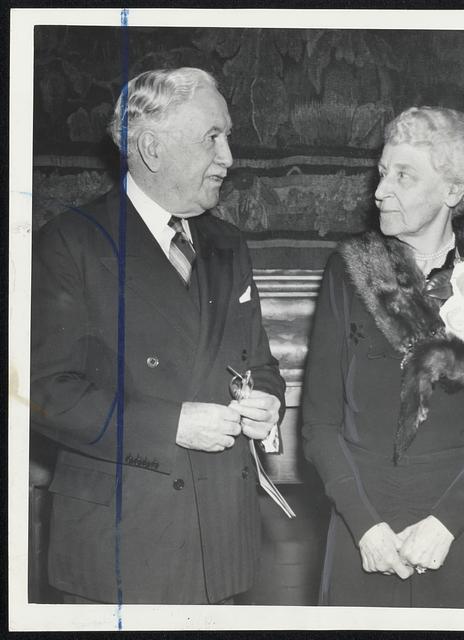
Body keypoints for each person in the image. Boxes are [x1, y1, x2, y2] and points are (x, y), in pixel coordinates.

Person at [30, 67, 286, 604]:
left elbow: (258, 362)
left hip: (224, 538)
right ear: (151, 148)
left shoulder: (228, 243)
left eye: (228, 137)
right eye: (212, 138)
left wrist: (266, 402)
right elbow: (44, 392)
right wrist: (171, 425)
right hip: (123, 543)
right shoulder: (70, 242)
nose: (229, 158)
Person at [301, 106, 464, 608]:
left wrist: (444, 525)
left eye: (403, 176)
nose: (379, 190)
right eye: (382, 172)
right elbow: (318, 424)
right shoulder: (348, 272)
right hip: (365, 529)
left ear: (453, 191)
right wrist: (364, 526)